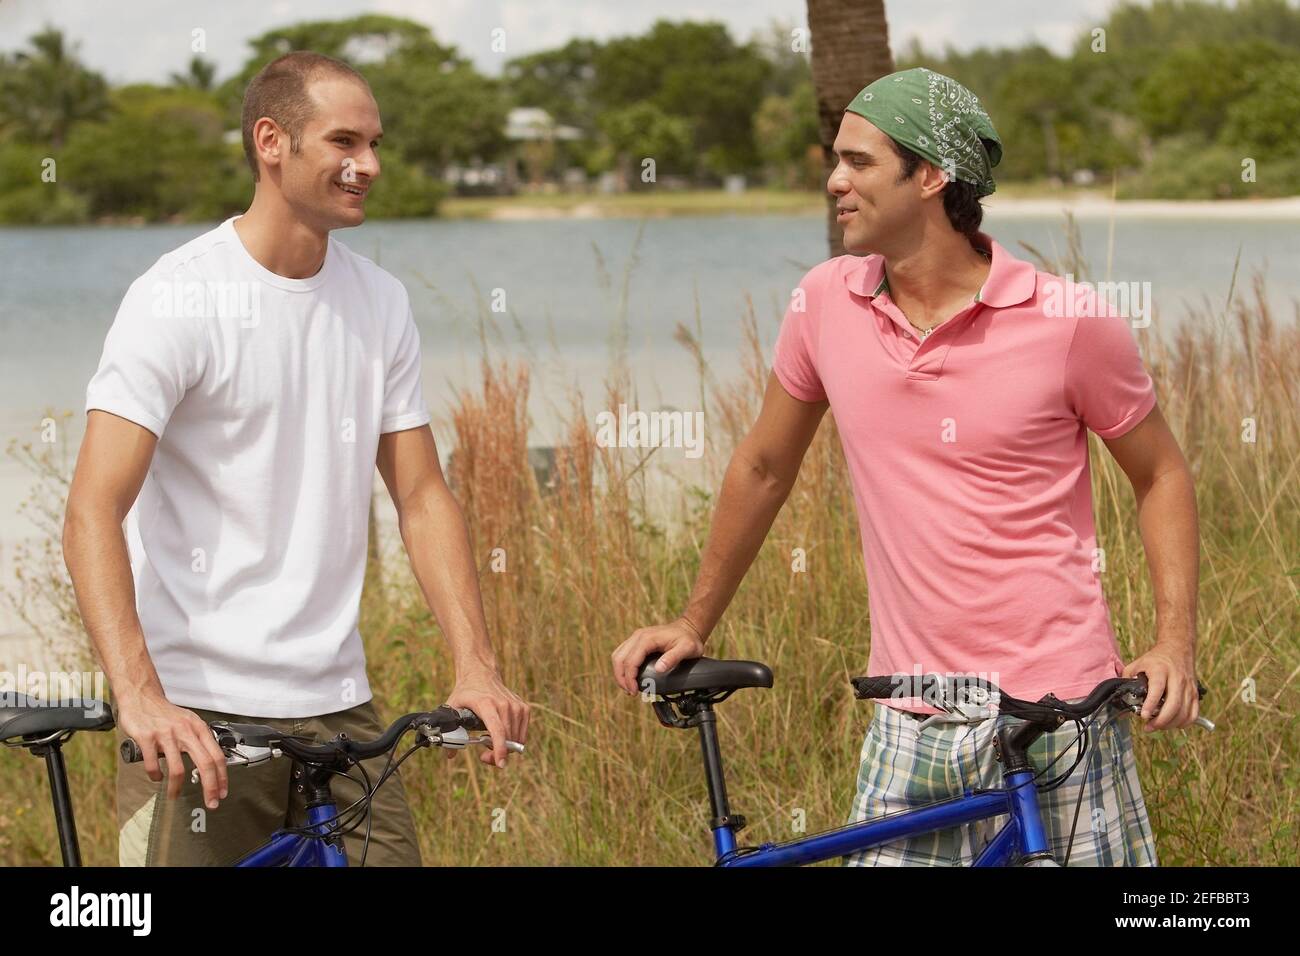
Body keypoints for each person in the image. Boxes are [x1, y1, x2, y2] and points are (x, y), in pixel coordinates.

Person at [611, 68, 1200, 866]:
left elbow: (1160, 472)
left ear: (930, 176)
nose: (834, 181)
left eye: (858, 162)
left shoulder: (1069, 322)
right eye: (835, 161)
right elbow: (762, 468)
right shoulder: (823, 303)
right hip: (908, 712)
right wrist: (692, 621)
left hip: (1057, 714)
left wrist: (1173, 645)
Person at [64, 51, 529, 866]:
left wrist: (476, 667)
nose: (371, 165)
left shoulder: (378, 301)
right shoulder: (179, 296)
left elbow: (420, 495)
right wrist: (140, 697)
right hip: (201, 718)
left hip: (342, 708)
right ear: (271, 141)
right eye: (345, 140)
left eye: (377, 142)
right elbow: (93, 509)